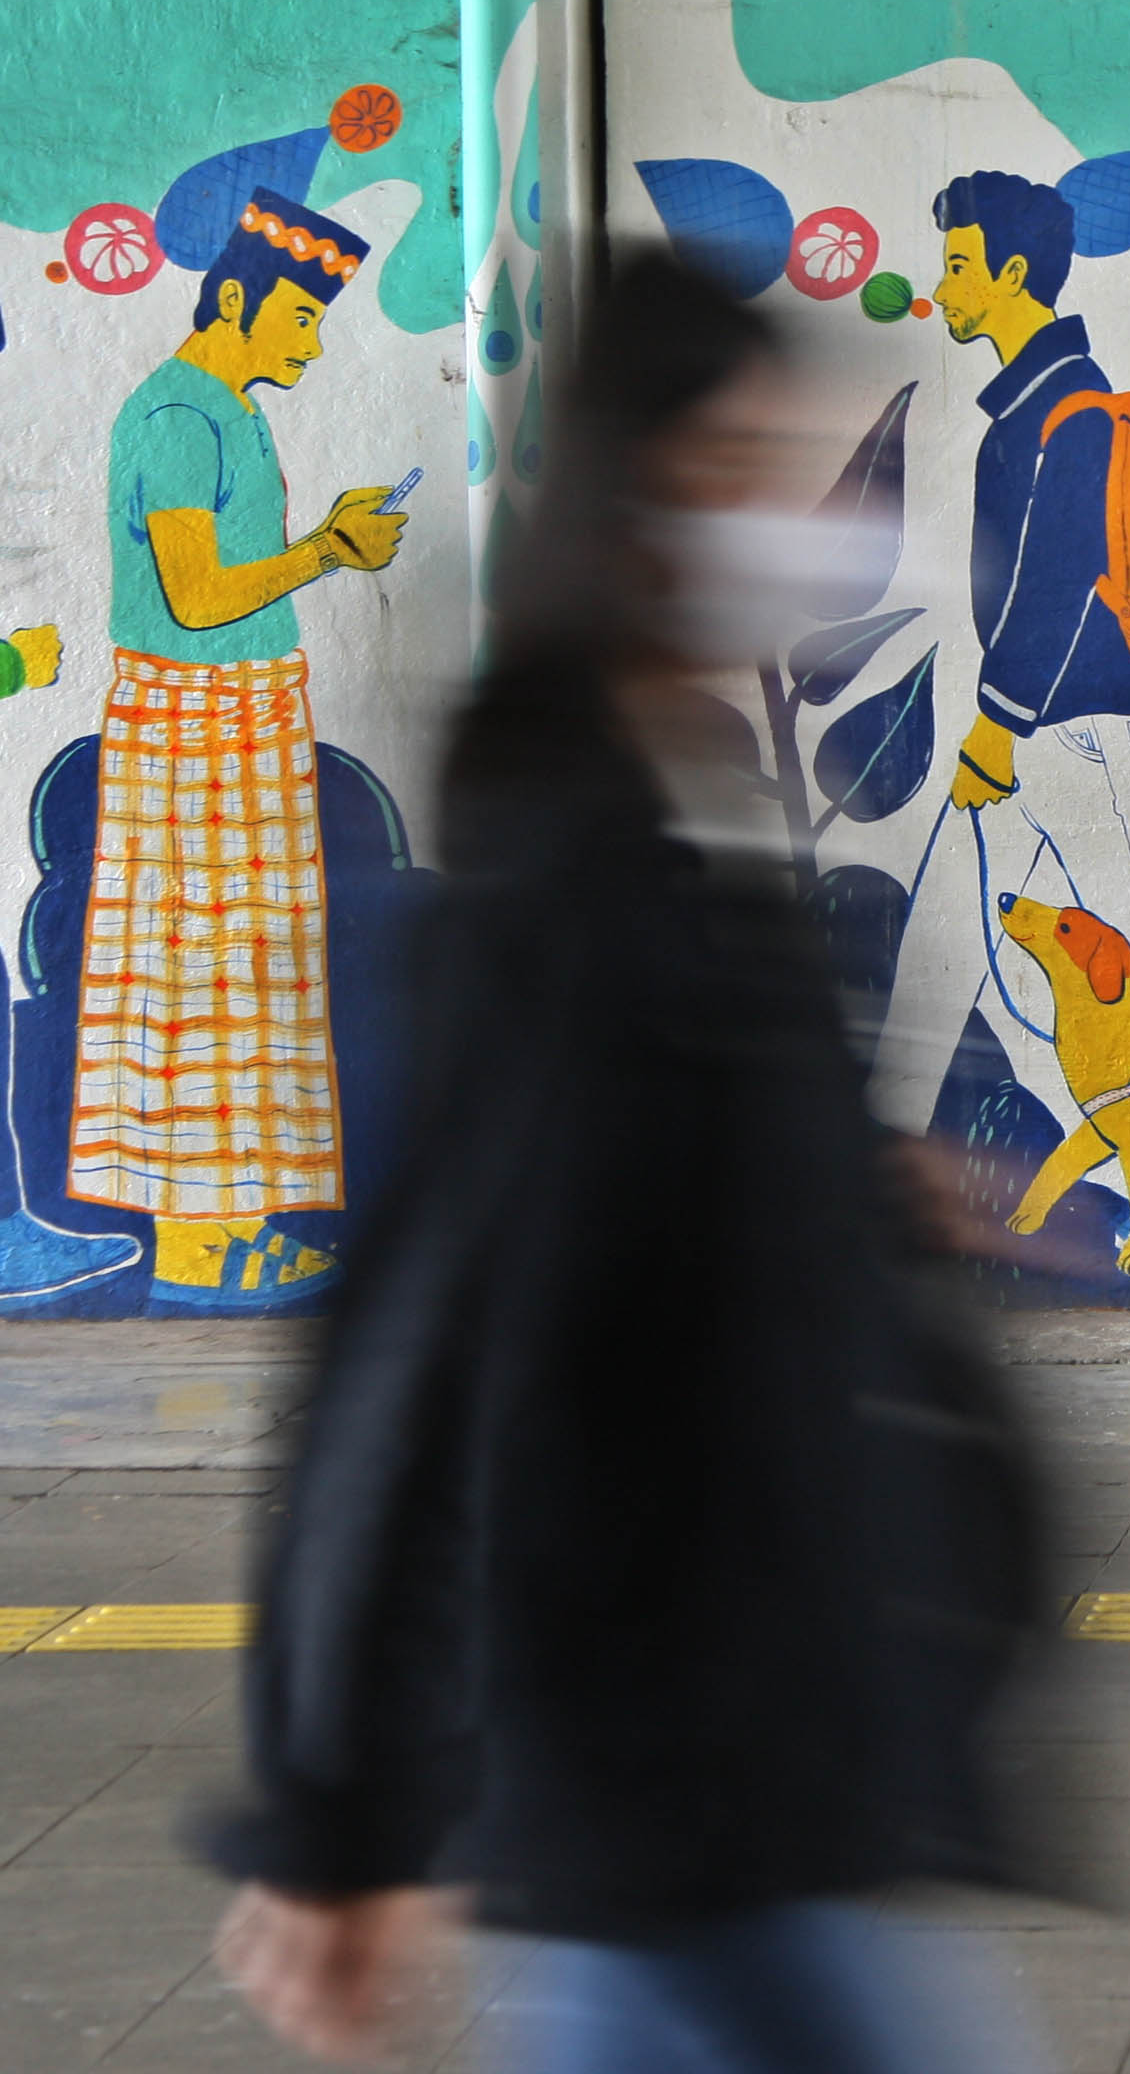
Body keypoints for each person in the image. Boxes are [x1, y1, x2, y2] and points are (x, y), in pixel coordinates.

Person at [206, 255, 1052, 2073]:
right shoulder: (556, 883)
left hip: (749, 1749)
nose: (796, 519)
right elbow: (413, 1357)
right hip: (673, 1757)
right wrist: (341, 1814)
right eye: (740, 462)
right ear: (638, 497)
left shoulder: (682, 830)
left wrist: (833, 1188)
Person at [73, 188, 407, 1308]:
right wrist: (326, 550)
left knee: (250, 983)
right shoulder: (177, 417)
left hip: (242, 715)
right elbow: (198, 593)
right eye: (301, 319)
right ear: (233, 298)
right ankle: (194, 1241)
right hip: (191, 723)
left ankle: (235, 1224)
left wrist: (323, 545)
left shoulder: (230, 407)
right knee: (195, 985)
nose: (312, 341)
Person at [872, 169, 1130, 1144]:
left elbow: (1058, 579)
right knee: (940, 948)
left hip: (1081, 733)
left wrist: (995, 722)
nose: (940, 287)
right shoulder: (1035, 407)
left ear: (1012, 272)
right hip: (1037, 736)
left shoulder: (1069, 409)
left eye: (956, 266)